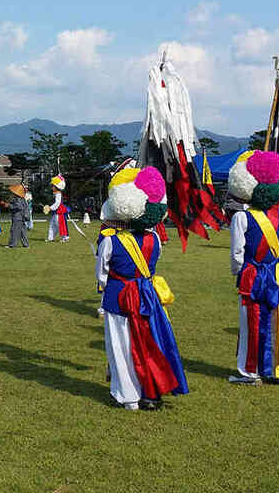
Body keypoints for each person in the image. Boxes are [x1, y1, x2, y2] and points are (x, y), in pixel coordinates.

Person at [97, 167, 188, 410]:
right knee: (147, 343)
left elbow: (102, 276)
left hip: (119, 297)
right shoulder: (155, 239)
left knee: (120, 347)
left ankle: (128, 395)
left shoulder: (109, 240)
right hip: (147, 296)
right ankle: (149, 389)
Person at [226, 150, 279, 385]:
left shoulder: (241, 218)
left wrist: (239, 271)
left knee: (251, 320)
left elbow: (237, 253)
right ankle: (278, 368)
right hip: (275, 272)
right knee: (276, 318)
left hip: (252, 274)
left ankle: (251, 370)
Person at [4, 184, 30, 248]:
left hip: (17, 217)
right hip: (22, 217)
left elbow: (19, 206)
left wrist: (9, 205)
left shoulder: (17, 199)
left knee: (14, 230)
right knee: (22, 232)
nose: (11, 193)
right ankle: (26, 244)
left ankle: (12, 244)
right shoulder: (22, 198)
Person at [46, 175, 70, 242]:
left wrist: (50, 208)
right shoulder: (56, 193)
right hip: (56, 212)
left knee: (60, 224)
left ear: (57, 187)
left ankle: (65, 237)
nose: (52, 187)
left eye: (53, 186)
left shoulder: (58, 194)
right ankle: (51, 237)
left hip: (59, 212)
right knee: (52, 224)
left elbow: (57, 203)